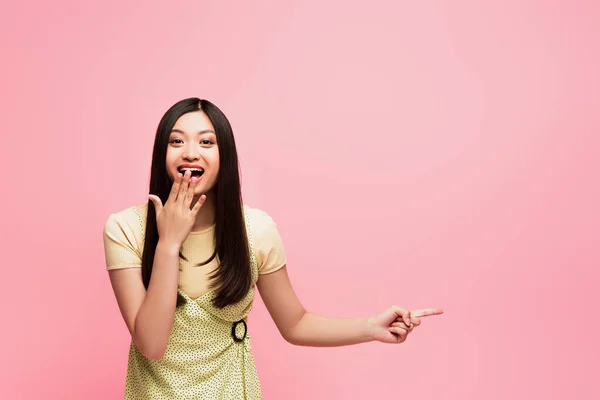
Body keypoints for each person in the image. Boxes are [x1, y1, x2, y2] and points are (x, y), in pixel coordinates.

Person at [102, 97, 443, 399]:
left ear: (225, 158)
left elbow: (295, 324)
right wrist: (170, 242)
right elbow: (152, 344)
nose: (191, 151)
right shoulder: (126, 228)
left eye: (207, 142)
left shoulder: (256, 231)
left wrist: (370, 327)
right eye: (177, 141)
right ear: (162, 153)